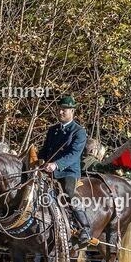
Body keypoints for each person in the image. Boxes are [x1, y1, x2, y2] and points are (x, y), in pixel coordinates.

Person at [40, 95, 91, 247]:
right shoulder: (52, 130)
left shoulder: (79, 132)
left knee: (69, 192)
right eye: (59, 109)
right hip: (48, 170)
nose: (61, 112)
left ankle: (85, 228)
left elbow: (73, 154)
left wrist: (56, 165)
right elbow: (44, 151)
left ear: (72, 111)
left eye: (64, 110)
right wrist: (34, 158)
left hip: (68, 171)